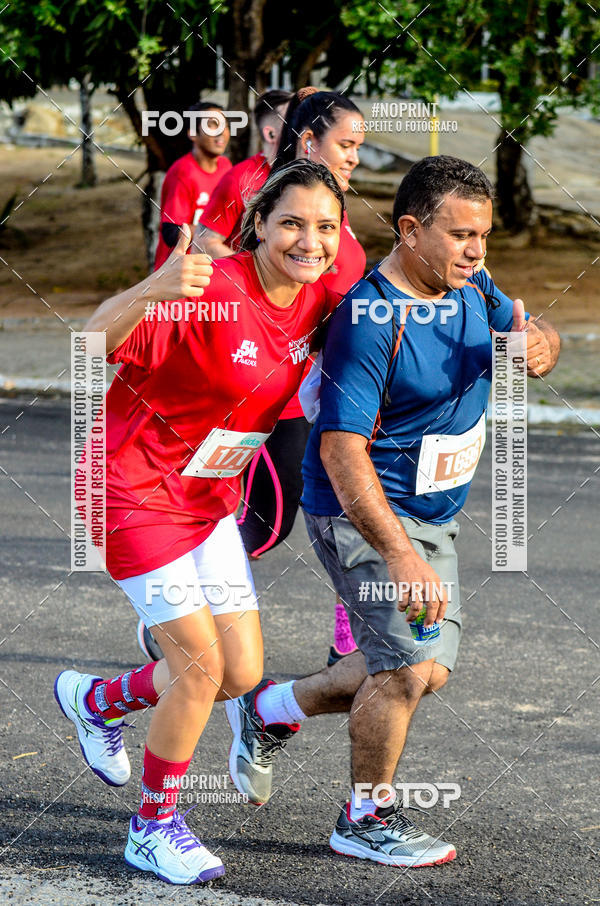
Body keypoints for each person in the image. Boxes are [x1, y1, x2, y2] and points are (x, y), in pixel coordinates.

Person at [224, 156, 561, 867]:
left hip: (431, 515)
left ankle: (269, 710)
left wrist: (539, 346)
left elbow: (529, 334)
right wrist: (400, 555)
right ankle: (365, 819)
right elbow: (344, 452)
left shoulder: (472, 284)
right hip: (360, 511)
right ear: (410, 230)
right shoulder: (369, 321)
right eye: (461, 235)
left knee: (425, 670)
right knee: (404, 667)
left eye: (484, 236)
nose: (476, 250)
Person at [54, 160, 346, 885]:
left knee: (240, 673)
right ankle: (151, 829)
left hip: (207, 499)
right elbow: (91, 342)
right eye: (292, 224)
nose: (309, 241)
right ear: (260, 225)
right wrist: (154, 285)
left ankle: (98, 701)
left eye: (326, 227)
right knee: (198, 666)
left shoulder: (319, 304)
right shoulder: (209, 292)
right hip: (130, 489)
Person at [200, 88, 367, 667]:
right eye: (345, 145)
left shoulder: (339, 224)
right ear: (307, 141)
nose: (352, 158)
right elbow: (200, 242)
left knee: (353, 510)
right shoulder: (254, 192)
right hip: (260, 395)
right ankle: (190, 613)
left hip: (325, 399)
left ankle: (351, 633)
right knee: (266, 525)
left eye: (358, 147)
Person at [194, 89, 293, 258]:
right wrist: (255, 275)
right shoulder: (241, 179)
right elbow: (204, 243)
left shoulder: (304, 175)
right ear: (270, 133)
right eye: (294, 120)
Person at [153, 100, 232, 270]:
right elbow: (171, 232)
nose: (221, 132)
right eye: (212, 125)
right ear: (192, 133)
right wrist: (213, 233)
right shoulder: (183, 172)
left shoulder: (227, 167)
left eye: (224, 125)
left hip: (209, 270)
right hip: (177, 275)